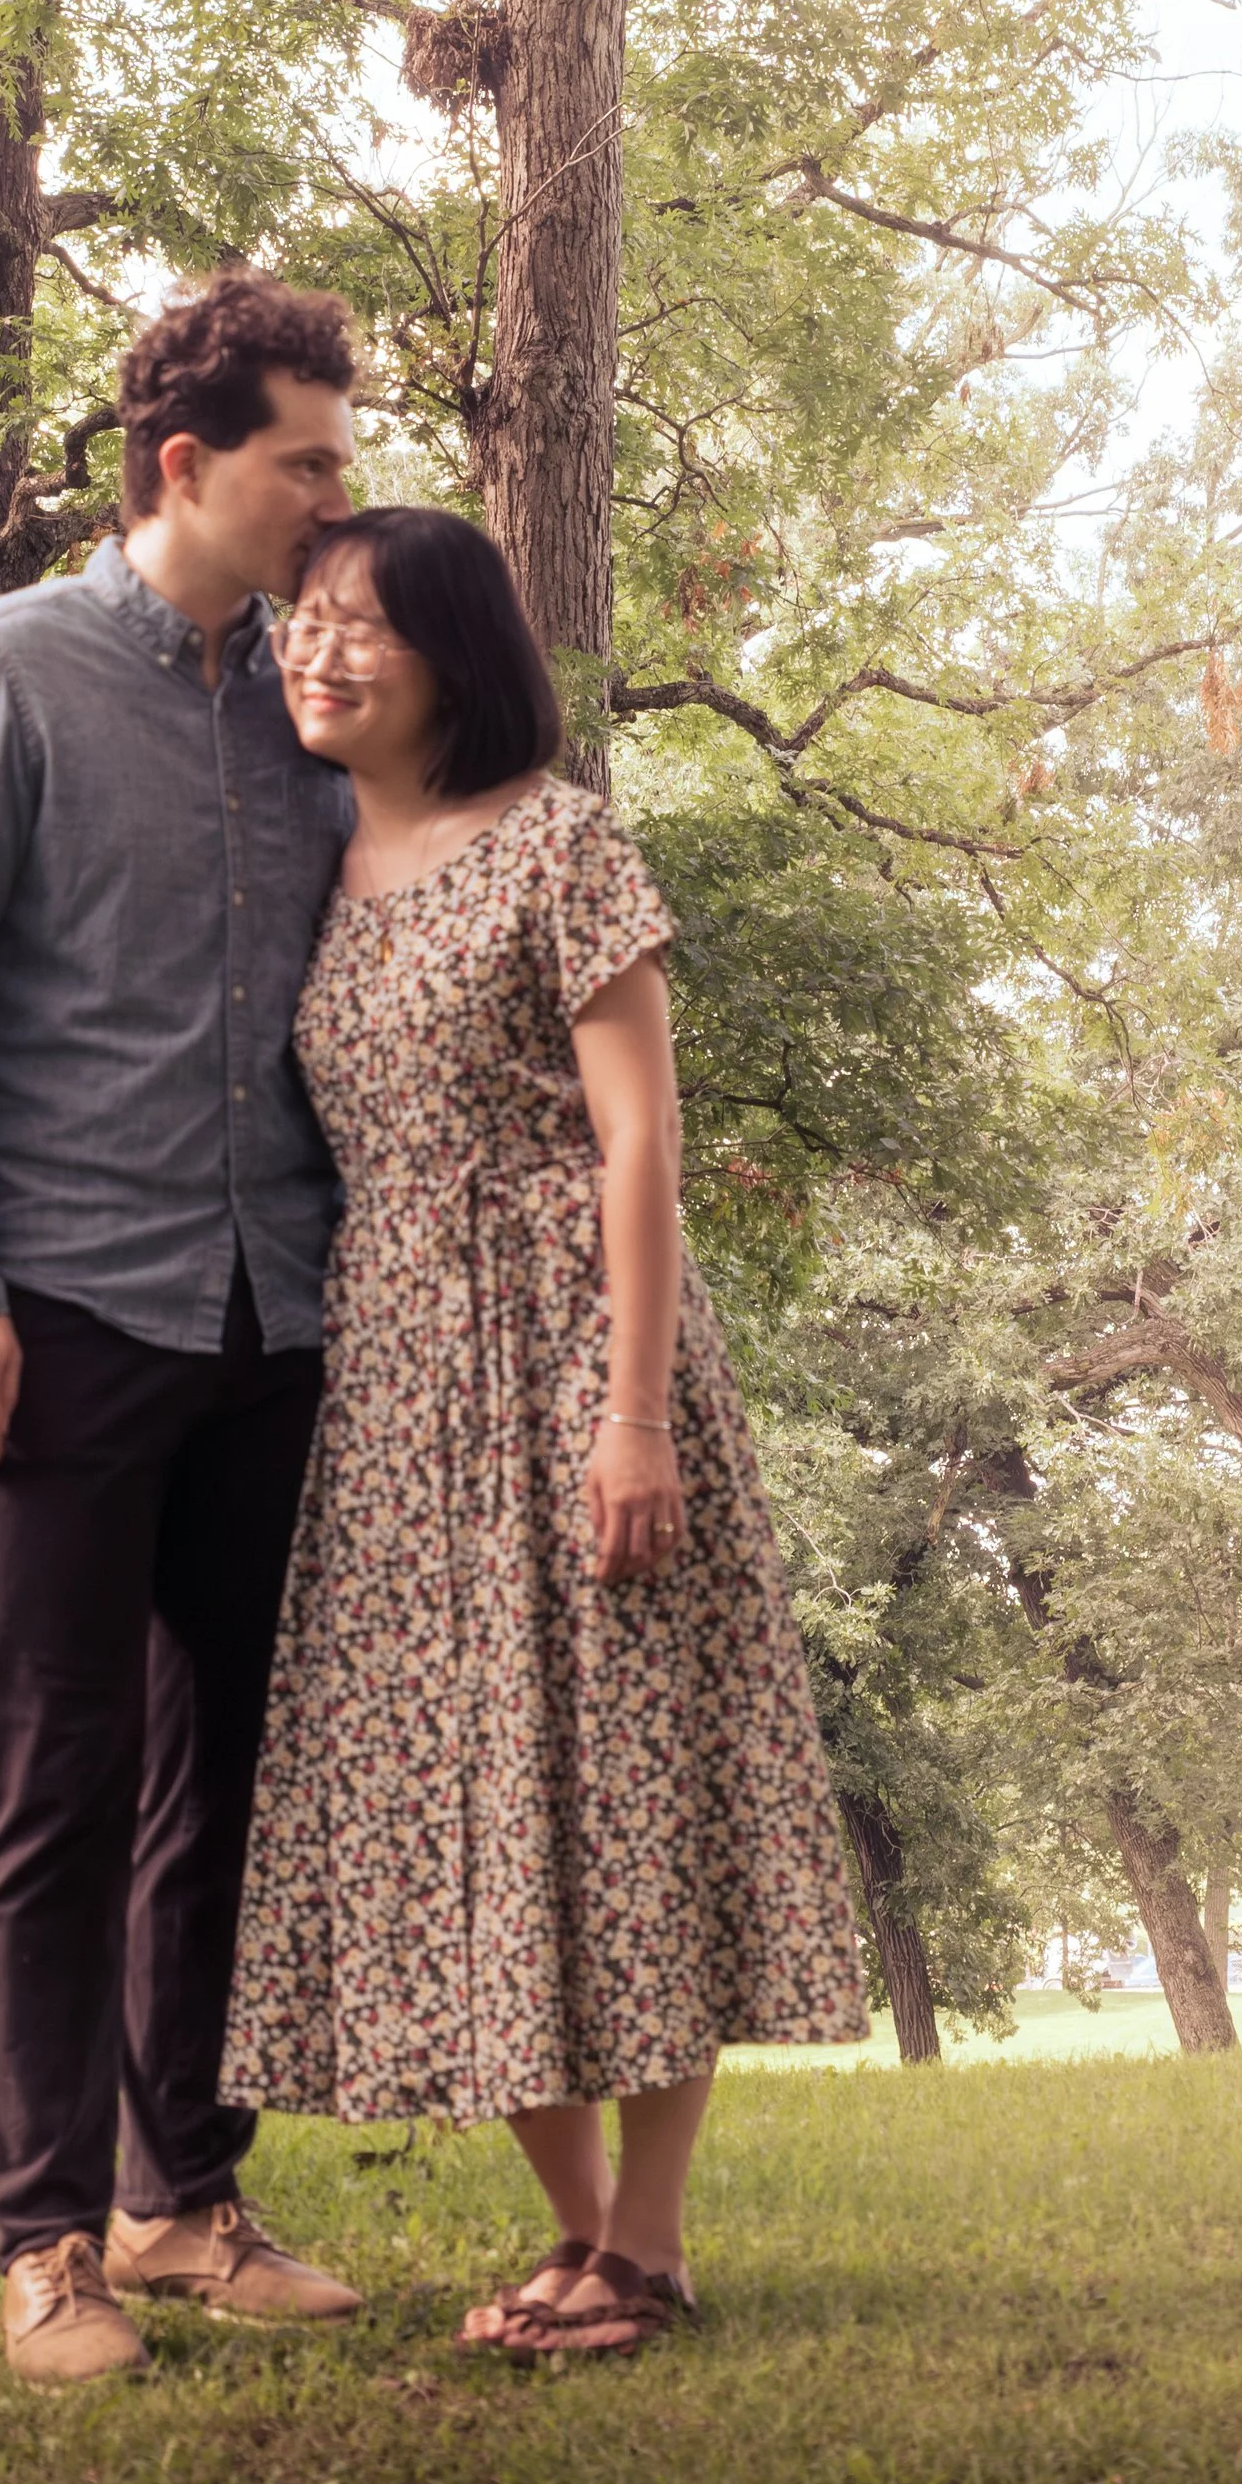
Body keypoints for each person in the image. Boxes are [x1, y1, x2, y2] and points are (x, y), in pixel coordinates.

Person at [222, 506, 869, 2356]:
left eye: (363, 624)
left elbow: (639, 1136)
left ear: (456, 656)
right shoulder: (314, 859)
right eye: (303, 618)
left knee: (627, 1777)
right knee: (469, 1805)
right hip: (394, 1390)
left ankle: (647, 2243)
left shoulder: (560, 837)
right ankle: (583, 2240)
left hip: (575, 1349)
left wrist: (634, 1412)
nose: (318, 650)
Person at [0, 268, 371, 2386]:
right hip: (54, 1317)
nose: (335, 500)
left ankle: (181, 2203)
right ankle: (44, 2241)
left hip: (273, 1318)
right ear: (185, 464)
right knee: (54, 1786)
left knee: (217, 1785)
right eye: (305, 463)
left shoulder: (312, 709)